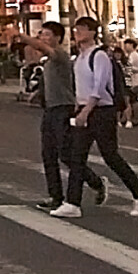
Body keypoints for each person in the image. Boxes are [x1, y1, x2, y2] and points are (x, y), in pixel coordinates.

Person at [52, 17, 138, 219]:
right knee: (76, 156)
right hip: (83, 109)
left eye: (82, 29)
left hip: (101, 111)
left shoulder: (99, 56)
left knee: (111, 156)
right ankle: (72, 202)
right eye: (76, 29)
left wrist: (86, 111)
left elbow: (99, 88)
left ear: (92, 32)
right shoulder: (79, 57)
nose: (77, 32)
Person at [27, 22, 105, 211]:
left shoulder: (60, 54)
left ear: (57, 38)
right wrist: (38, 94)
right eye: (42, 34)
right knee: (48, 155)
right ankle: (56, 196)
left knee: (66, 154)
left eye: (47, 35)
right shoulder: (47, 60)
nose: (43, 38)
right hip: (50, 109)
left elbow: (42, 48)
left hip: (64, 109)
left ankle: (96, 182)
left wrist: (22, 37)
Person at [121, 40, 138, 128]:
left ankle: (132, 119)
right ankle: (130, 118)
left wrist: (125, 70)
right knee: (132, 100)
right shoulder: (132, 55)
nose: (125, 47)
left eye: (127, 45)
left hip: (133, 81)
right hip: (132, 81)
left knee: (131, 101)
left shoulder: (134, 56)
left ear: (131, 45)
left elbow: (135, 69)